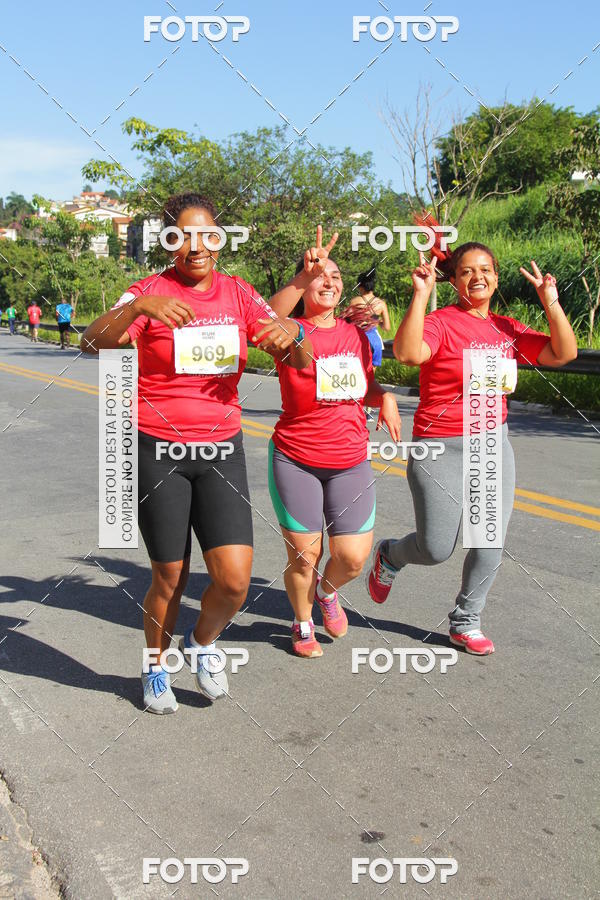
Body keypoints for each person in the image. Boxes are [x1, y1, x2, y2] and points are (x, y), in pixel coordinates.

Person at [82, 192, 313, 713]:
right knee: (170, 576)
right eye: (183, 235)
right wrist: (137, 307)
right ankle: (155, 668)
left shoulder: (237, 293)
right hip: (156, 448)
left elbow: (294, 357)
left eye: (207, 234)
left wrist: (293, 334)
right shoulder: (149, 291)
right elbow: (91, 343)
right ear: (168, 243)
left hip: (220, 449)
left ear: (219, 239)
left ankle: (202, 642)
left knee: (233, 582)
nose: (196, 245)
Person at [366, 235, 577, 655]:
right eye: (466, 271)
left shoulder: (507, 329)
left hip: (491, 446)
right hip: (440, 447)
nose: (476, 277)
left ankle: (466, 620)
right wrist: (420, 295)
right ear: (455, 281)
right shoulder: (442, 321)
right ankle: (391, 555)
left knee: (489, 541)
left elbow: (562, 353)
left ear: (496, 279)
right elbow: (407, 353)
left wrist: (550, 300)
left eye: (485, 270)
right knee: (436, 547)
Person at [267, 231, 402, 658]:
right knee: (306, 556)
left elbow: (366, 384)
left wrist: (387, 398)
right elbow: (265, 318)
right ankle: (302, 620)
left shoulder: (355, 334)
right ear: (303, 283)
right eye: (318, 275)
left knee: (352, 558)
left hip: (349, 460)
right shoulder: (291, 330)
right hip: (297, 459)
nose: (329, 281)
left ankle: (327, 592)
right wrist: (303, 275)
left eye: (336, 275)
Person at [346, 269, 391, 367]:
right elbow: (387, 327)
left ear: (361, 287)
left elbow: (347, 322)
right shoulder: (381, 304)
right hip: (374, 340)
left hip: (357, 338)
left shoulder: (354, 301)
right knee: (371, 375)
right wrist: (378, 322)